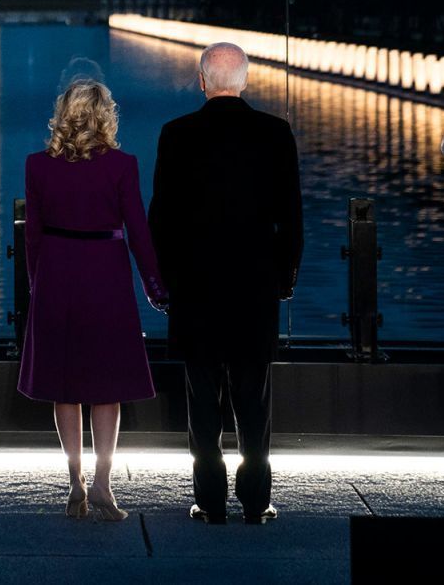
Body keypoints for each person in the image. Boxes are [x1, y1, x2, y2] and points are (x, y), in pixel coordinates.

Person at [148, 42, 303, 526]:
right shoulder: (276, 134)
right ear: (246, 80)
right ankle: (256, 500)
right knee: (255, 400)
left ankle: (209, 500)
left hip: (196, 289)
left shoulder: (176, 135)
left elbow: (161, 219)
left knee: (201, 400)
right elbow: (292, 218)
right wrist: (284, 277)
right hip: (254, 286)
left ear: (201, 81)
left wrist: (165, 280)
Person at [17, 76, 169, 523]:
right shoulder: (123, 165)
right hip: (106, 272)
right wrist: (154, 285)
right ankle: (103, 484)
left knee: (64, 385)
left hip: (58, 273)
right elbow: (139, 231)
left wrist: (36, 282)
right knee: (108, 385)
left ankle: (75, 482)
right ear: (106, 116)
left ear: (63, 114)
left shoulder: (37, 164)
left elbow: (34, 237)